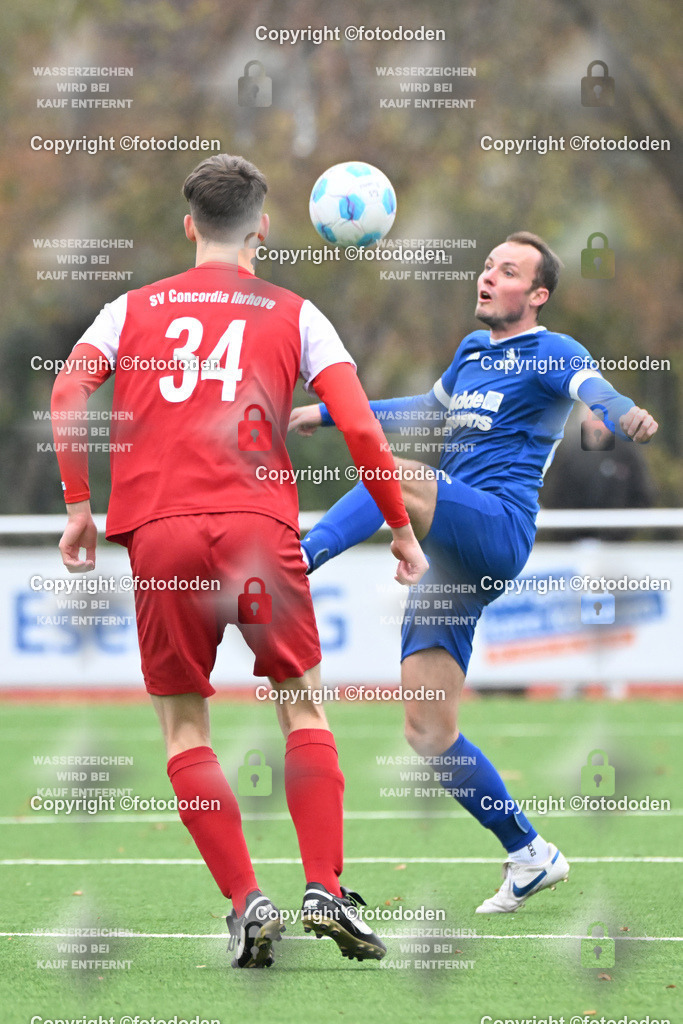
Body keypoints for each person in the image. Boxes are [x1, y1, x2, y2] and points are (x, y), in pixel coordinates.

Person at [50, 154, 428, 967]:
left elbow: (67, 395)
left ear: (189, 225)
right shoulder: (297, 313)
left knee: (186, 724)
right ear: (263, 225)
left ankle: (246, 901)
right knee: (301, 703)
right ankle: (323, 886)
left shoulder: (127, 311)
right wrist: (397, 526)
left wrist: (80, 506)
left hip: (161, 531)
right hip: (258, 528)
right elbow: (360, 427)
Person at [290, 231, 658, 913]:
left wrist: (623, 411)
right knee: (427, 731)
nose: (487, 276)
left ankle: (299, 557)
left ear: (537, 294)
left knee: (390, 474)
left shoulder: (552, 350)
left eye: (507, 270)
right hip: (450, 558)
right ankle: (529, 854)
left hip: (494, 527)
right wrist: (334, 413)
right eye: (487, 265)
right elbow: (424, 414)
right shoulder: (468, 352)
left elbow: (591, 389)